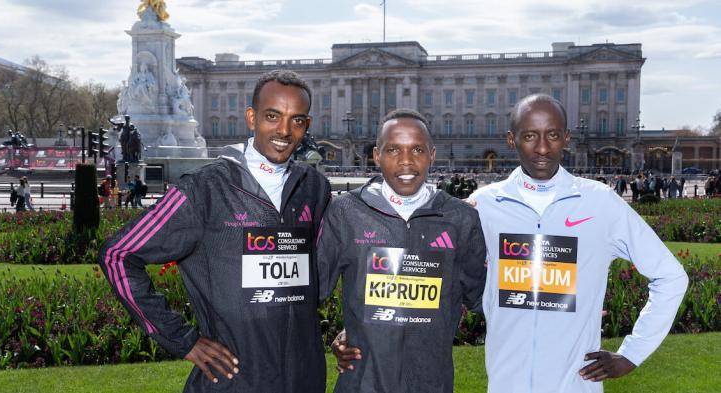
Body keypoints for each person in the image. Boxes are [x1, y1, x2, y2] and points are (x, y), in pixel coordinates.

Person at [99, 70, 331, 393]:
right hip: (233, 381)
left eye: (297, 120)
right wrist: (183, 340)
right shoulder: (203, 189)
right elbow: (117, 255)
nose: (284, 130)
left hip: (304, 379)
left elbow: (323, 273)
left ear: (306, 126)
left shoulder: (315, 188)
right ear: (251, 118)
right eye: (272, 116)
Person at [469, 94, 688, 392]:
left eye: (553, 135)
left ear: (567, 138)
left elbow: (671, 276)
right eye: (530, 136)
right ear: (512, 139)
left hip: (574, 385)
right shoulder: (484, 203)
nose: (543, 148)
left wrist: (632, 354)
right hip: (506, 384)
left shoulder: (600, 202)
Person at [318, 109, 486, 393]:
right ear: (376, 155)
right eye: (393, 149)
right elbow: (305, 294)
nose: (406, 161)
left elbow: (488, 300)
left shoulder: (460, 218)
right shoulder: (344, 212)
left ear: (432, 155)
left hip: (430, 382)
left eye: (417, 149)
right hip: (363, 383)